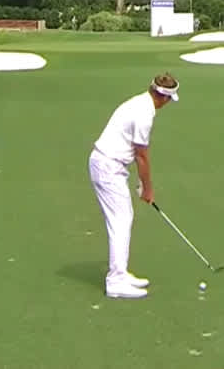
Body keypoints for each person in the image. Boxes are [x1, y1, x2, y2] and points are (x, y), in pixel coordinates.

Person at [88, 73, 181, 299]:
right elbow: (141, 156)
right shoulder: (145, 114)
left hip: (110, 164)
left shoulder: (140, 101)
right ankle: (115, 281)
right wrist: (147, 188)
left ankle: (121, 273)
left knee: (124, 218)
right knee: (120, 221)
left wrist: (140, 183)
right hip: (108, 166)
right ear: (162, 97)